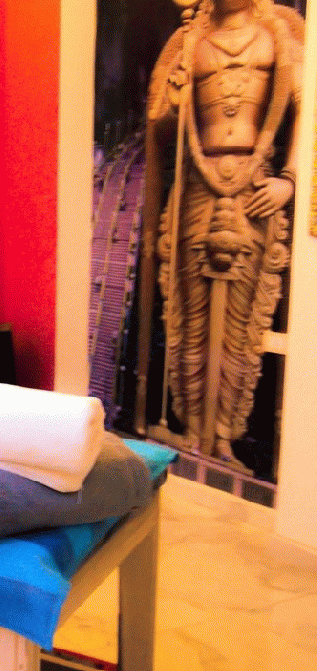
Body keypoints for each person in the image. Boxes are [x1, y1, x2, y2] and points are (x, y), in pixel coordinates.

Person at [138, 0, 303, 464]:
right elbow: (159, 129)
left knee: (243, 320)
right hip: (198, 184)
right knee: (189, 313)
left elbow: (307, 111)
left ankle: (225, 433)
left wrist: (290, 180)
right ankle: (193, 428)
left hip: (256, 185)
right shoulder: (188, 41)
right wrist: (175, 103)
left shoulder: (280, 35)